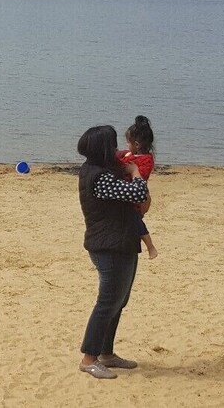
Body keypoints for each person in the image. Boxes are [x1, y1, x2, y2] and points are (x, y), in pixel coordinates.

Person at [76, 125, 149, 379]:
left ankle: (106, 353)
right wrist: (136, 171)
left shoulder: (98, 170)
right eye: (112, 145)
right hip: (109, 246)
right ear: (102, 149)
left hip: (120, 242)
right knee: (107, 303)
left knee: (119, 301)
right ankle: (89, 358)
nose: (117, 149)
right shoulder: (99, 177)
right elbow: (138, 192)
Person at [117, 115, 158, 259]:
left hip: (134, 198)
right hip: (128, 193)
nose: (126, 146)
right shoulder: (132, 155)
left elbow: (140, 175)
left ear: (137, 144)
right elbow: (120, 159)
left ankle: (150, 247)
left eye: (128, 143)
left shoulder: (145, 160)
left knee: (135, 220)